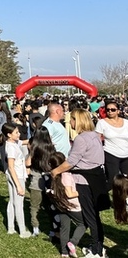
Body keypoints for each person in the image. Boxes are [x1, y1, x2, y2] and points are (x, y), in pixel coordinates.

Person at [50, 108, 110, 258]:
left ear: (78, 120)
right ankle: (98, 245)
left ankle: (96, 251)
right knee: (95, 216)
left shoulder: (81, 139)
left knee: (90, 217)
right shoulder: (95, 136)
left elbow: (71, 162)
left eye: (71, 119)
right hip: (96, 179)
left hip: (84, 181)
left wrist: (55, 171)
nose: (70, 122)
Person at [49, 152, 87, 258]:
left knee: (64, 228)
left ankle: (64, 252)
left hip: (61, 205)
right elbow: (69, 194)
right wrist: (82, 192)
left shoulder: (54, 175)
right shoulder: (66, 176)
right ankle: (73, 242)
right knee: (83, 224)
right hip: (72, 205)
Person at [0, 123, 31, 238]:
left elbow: (25, 141)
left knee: (12, 202)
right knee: (18, 204)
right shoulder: (11, 148)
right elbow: (11, 166)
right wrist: (18, 185)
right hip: (16, 176)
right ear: (9, 134)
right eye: (16, 133)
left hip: (12, 175)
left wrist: (38, 137)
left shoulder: (13, 142)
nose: (19, 134)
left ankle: (11, 228)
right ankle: (22, 231)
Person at [26, 125, 56, 237]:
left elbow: (27, 164)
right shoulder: (51, 148)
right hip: (49, 182)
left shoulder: (35, 148)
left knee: (34, 206)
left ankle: (35, 227)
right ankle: (53, 228)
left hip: (36, 182)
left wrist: (31, 152)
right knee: (50, 207)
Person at [95, 99, 128, 183]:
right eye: (108, 110)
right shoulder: (102, 123)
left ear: (118, 111)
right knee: (113, 179)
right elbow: (97, 140)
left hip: (126, 154)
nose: (110, 112)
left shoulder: (126, 122)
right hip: (110, 153)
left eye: (113, 110)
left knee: (126, 179)